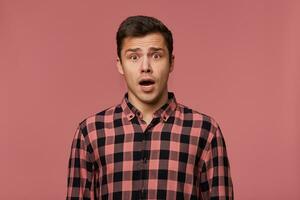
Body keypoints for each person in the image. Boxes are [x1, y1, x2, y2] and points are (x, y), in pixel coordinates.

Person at [66, 15, 234, 200]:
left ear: (171, 62)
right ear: (120, 65)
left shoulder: (205, 131)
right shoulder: (90, 133)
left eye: (156, 55)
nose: (145, 67)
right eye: (133, 57)